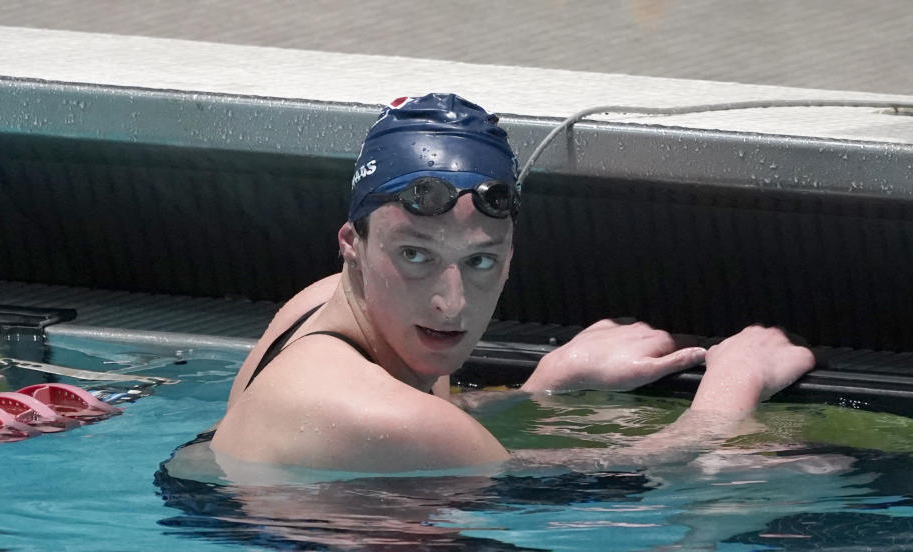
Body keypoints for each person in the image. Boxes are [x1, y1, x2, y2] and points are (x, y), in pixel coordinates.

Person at [210, 93, 814, 472]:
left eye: (480, 262)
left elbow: (418, 422)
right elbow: (645, 470)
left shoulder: (318, 307)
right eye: (415, 255)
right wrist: (733, 383)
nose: (451, 304)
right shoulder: (369, 410)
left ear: (511, 255)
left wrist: (540, 388)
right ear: (352, 245)